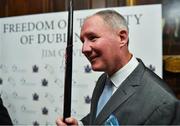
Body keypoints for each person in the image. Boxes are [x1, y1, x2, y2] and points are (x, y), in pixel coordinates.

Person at [56, 10, 180, 125]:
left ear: (122, 38)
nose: (84, 49)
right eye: (83, 41)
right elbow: (101, 117)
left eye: (93, 38)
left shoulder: (163, 103)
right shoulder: (103, 80)